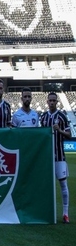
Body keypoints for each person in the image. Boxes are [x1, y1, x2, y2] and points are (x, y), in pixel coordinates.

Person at [40, 92, 72, 224]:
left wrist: (59, 130)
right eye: (50, 100)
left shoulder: (62, 117)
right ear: (47, 102)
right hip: (47, 158)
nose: (52, 102)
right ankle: (46, 212)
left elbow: (69, 135)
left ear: (57, 102)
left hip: (59, 157)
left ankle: (65, 214)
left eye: (54, 100)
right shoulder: (43, 117)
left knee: (63, 184)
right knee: (46, 186)